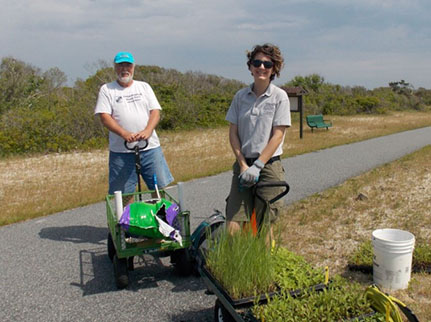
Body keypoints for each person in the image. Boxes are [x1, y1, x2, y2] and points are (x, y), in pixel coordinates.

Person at [225, 43, 291, 238]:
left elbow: (278, 135)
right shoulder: (240, 97)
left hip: (269, 166)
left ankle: (264, 265)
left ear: (274, 69)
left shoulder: (280, 97)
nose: (261, 67)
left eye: (267, 64)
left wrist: (259, 165)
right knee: (234, 225)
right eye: (257, 62)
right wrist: (244, 165)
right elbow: (233, 132)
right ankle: (237, 265)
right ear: (250, 66)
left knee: (266, 225)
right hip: (244, 164)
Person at [94, 51, 173, 198]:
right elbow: (104, 117)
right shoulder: (107, 89)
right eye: (120, 65)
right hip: (121, 151)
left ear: (133, 67)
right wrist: (125, 134)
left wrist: (148, 131)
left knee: (157, 188)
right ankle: (128, 220)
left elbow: (155, 111)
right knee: (124, 193)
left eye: (128, 65)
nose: (125, 69)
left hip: (150, 148)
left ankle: (159, 217)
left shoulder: (144, 87)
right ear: (115, 67)